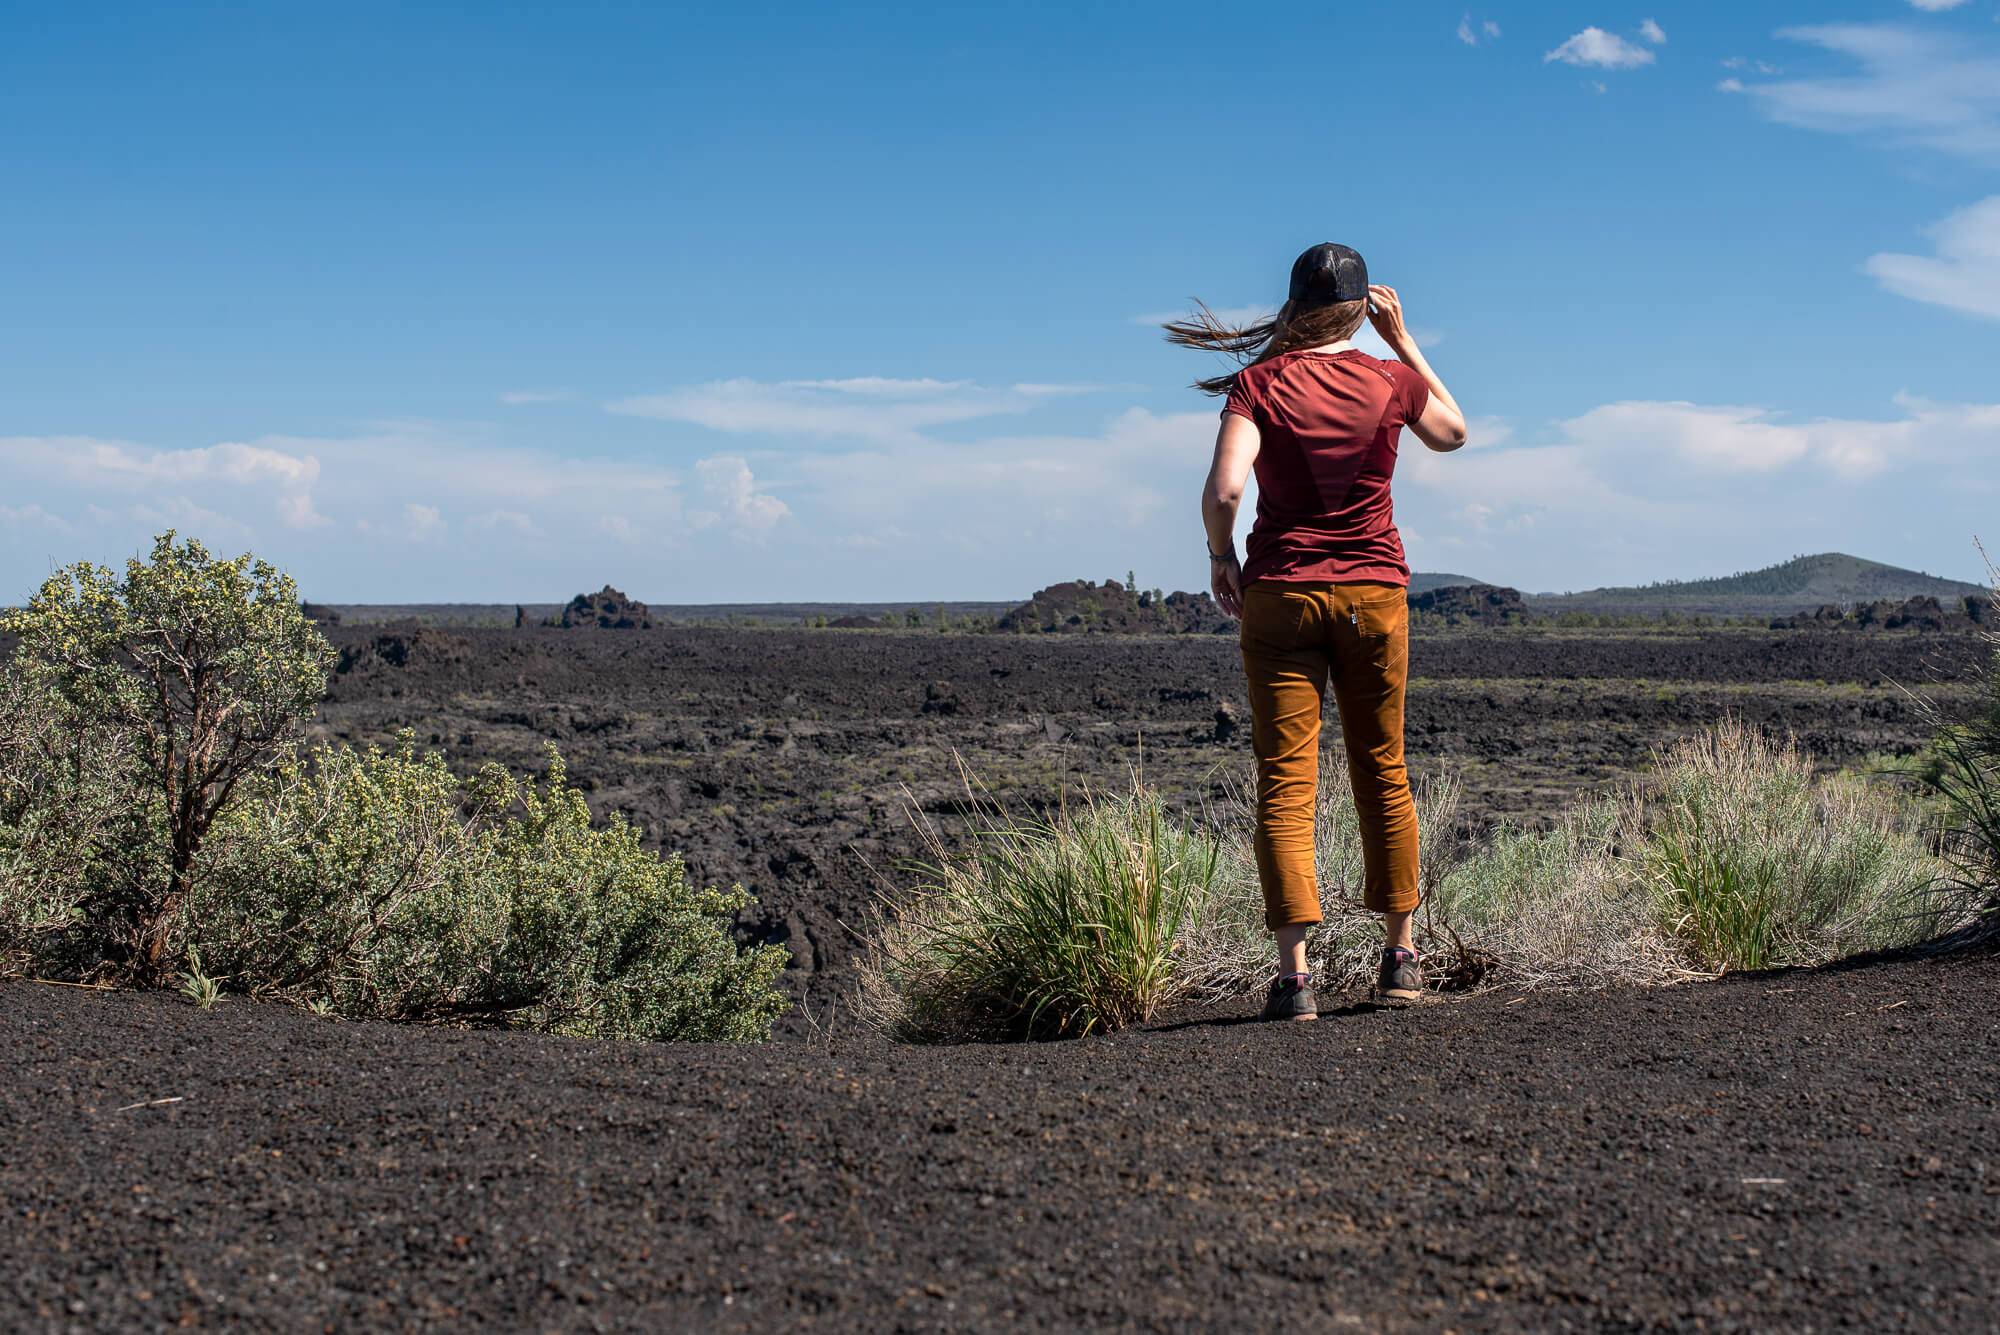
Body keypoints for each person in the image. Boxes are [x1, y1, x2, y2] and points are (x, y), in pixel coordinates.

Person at [1166, 242, 1467, 1021]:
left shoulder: (1256, 384)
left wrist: (1220, 555)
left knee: (1286, 783)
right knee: (1383, 770)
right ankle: (1400, 959)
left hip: (1281, 598)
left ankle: (1295, 977)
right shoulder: (1392, 378)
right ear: (1364, 306)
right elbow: (1454, 433)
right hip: (1375, 595)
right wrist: (1402, 341)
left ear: (1294, 302)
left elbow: (1227, 487)